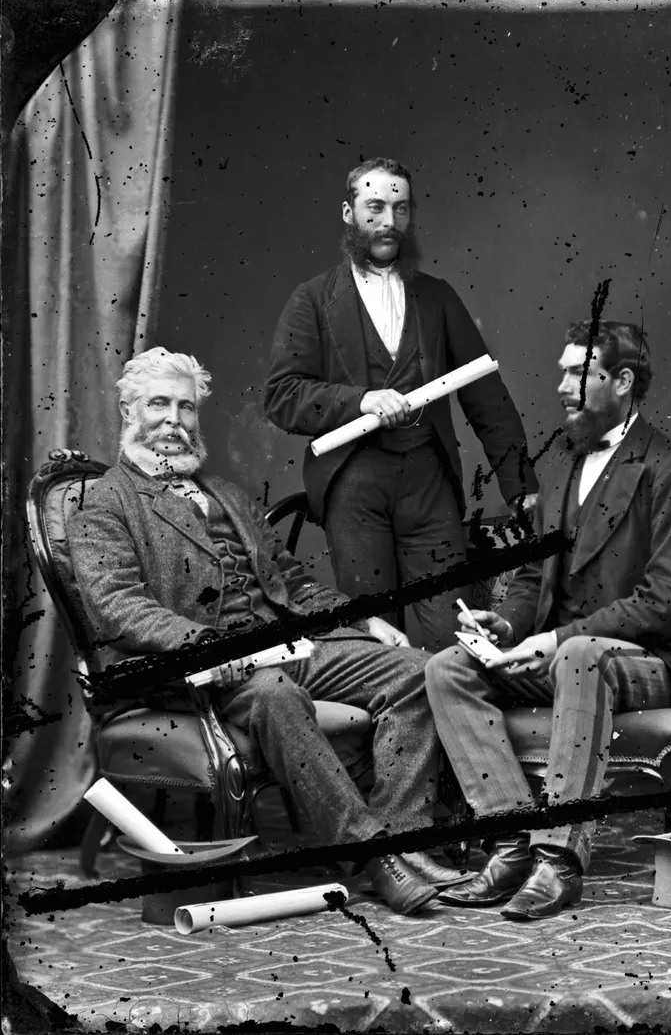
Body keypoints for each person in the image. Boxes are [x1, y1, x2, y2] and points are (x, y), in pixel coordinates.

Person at [67, 347, 474, 916]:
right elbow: (117, 606)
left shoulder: (227, 493)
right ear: (128, 411)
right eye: (159, 404)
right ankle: (373, 854)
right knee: (275, 694)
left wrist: (362, 619)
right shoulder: (104, 503)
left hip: (287, 642)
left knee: (422, 670)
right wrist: (205, 645)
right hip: (203, 667)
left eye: (186, 407)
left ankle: (404, 836)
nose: (173, 421)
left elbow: (292, 583)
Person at [424, 320, 671, 921]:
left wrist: (557, 638)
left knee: (581, 654)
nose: (561, 386)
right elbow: (535, 573)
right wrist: (508, 627)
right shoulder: (561, 459)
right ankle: (510, 843)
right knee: (448, 668)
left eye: (578, 373)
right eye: (562, 372)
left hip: (649, 663)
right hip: (564, 654)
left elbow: (666, 605)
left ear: (623, 381)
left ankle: (558, 860)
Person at [263, 157, 536, 651]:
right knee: (375, 638)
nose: (388, 221)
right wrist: (361, 401)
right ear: (348, 213)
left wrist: (521, 486)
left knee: (452, 640)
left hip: (429, 485)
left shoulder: (438, 298)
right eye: (375, 207)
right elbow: (282, 396)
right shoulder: (312, 300)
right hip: (354, 486)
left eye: (400, 208)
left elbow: (487, 397)